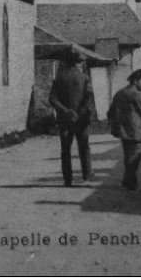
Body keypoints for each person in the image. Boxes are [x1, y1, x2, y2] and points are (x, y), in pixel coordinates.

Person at [48, 47, 94, 186]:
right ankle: (87, 177)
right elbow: (88, 98)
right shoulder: (85, 78)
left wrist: (66, 111)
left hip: (65, 119)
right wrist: (78, 112)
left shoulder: (60, 77)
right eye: (82, 62)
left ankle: (67, 180)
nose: (82, 65)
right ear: (79, 63)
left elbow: (52, 99)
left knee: (65, 150)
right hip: (81, 119)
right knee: (84, 148)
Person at [107, 69, 141, 191]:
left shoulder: (120, 93)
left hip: (123, 131)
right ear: (135, 81)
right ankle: (131, 182)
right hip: (136, 131)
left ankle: (128, 180)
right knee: (135, 156)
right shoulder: (137, 94)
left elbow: (110, 112)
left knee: (128, 156)